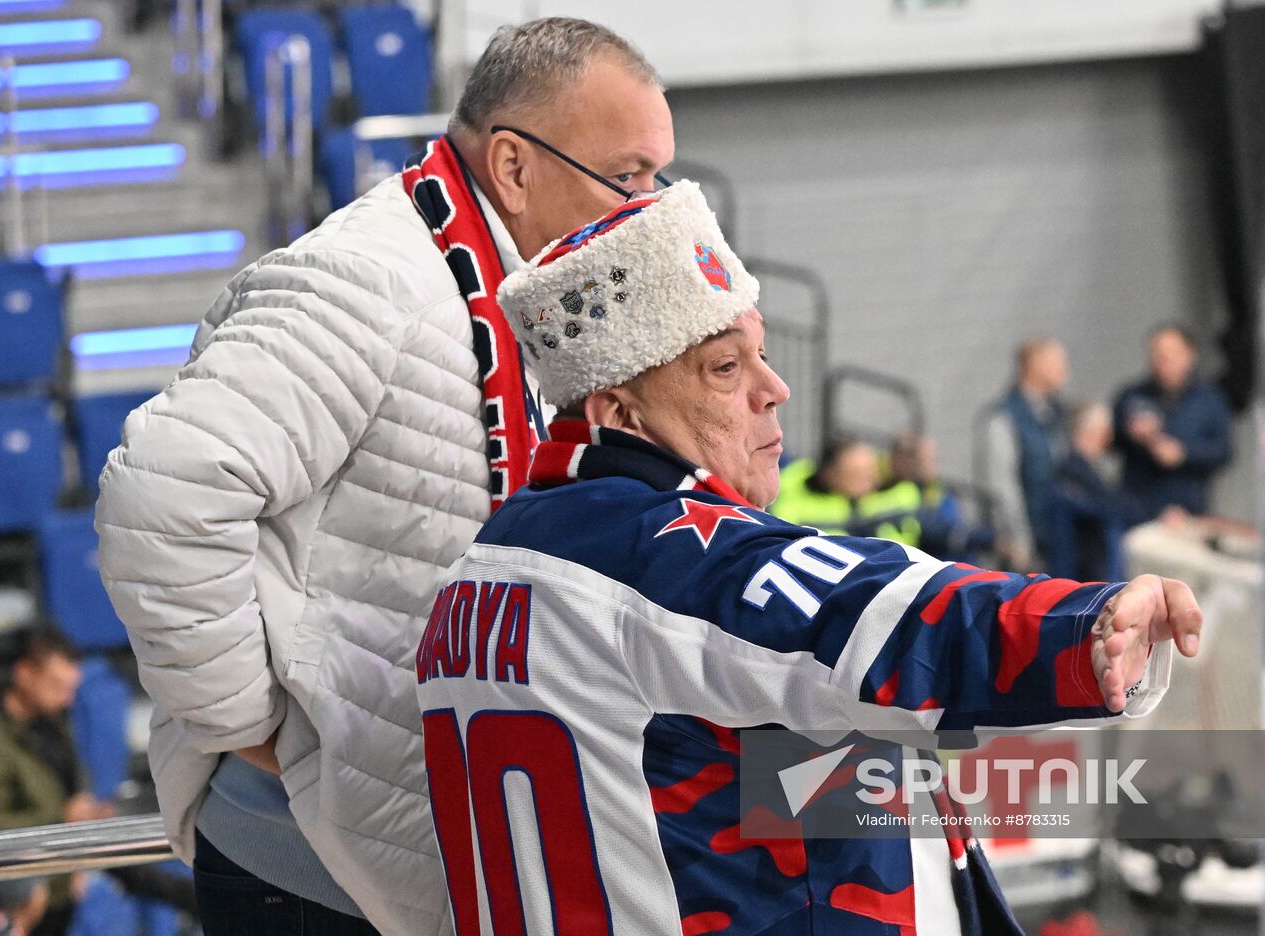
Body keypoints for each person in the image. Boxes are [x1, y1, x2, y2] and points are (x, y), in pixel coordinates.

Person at [417, 183, 1203, 933]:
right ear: (617, 411)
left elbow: (714, 782)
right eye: (725, 368)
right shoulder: (666, 557)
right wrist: (1076, 628)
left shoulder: (481, 573)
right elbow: (877, 617)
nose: (775, 388)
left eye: (759, 355)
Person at [94, 18, 674, 935]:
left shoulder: (514, 289)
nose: (646, 208)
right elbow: (162, 495)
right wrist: (253, 729)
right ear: (515, 166)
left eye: (657, 177)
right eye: (628, 175)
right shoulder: (365, 280)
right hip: (311, 860)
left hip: (420, 841)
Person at [0, 632, 111, 935]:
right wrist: (63, 817)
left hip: (62, 874)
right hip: (24, 888)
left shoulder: (54, 723)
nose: (67, 699)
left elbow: (74, 782)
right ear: (24, 674)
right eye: (57, 686)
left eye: (71, 689)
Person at [1113, 325, 1233, 521]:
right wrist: (1130, 433)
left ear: (1189, 355)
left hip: (1189, 506)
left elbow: (1223, 450)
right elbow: (1111, 439)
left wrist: (1184, 454)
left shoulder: (1210, 400)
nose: (1164, 361)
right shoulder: (1133, 396)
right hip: (1139, 507)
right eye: (1157, 354)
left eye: (1171, 354)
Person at [978, 338, 1070, 570]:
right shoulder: (1003, 418)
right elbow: (1002, 486)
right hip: (1028, 546)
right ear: (1035, 366)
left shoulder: (1057, 412)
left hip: (1059, 537)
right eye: (1057, 362)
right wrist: (1018, 540)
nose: (1065, 369)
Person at [859, 430, 995, 562]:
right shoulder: (888, 492)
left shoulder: (937, 490)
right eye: (923, 460)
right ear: (900, 460)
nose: (932, 466)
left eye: (932, 458)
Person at [1050, 403, 1139, 582]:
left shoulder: (1096, 468)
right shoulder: (1072, 471)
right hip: (1088, 570)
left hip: (1096, 564)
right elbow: (1113, 509)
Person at [770, 437, 880, 533]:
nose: (875, 481)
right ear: (830, 474)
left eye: (872, 472)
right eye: (858, 474)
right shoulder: (789, 496)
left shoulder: (874, 502)